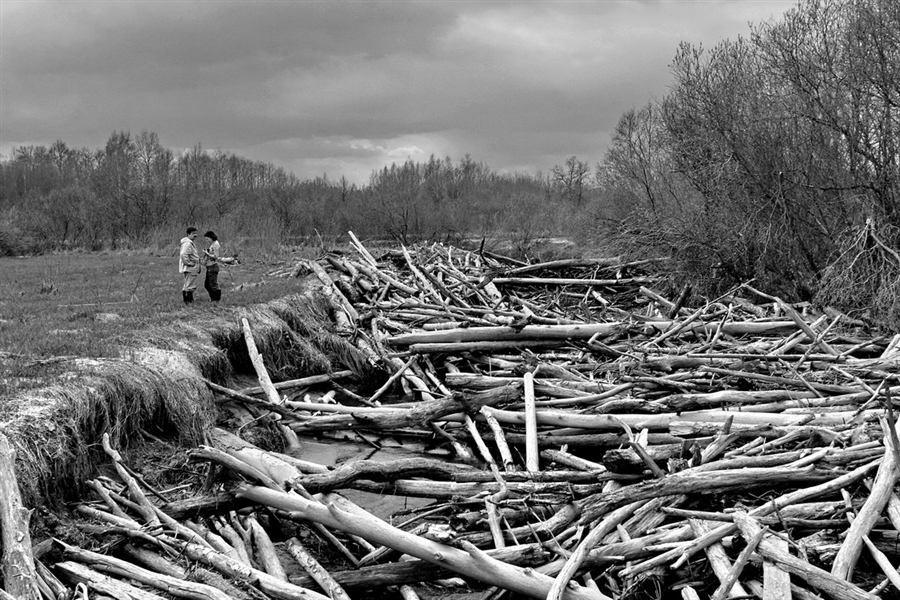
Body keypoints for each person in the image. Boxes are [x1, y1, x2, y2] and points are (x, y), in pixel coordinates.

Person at [178, 227, 200, 304]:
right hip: (190, 268)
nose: (195, 235)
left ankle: (187, 301)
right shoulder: (187, 243)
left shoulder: (189, 242)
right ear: (188, 234)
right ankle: (189, 302)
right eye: (193, 233)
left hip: (190, 267)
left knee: (187, 285)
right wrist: (188, 263)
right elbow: (183, 254)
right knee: (190, 286)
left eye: (196, 233)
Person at [201, 230, 223, 302]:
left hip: (213, 266)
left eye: (207, 239)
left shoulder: (216, 244)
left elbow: (216, 256)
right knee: (207, 285)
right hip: (209, 266)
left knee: (213, 285)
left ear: (211, 237)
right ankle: (212, 298)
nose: (207, 241)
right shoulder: (212, 244)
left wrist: (207, 253)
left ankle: (216, 300)